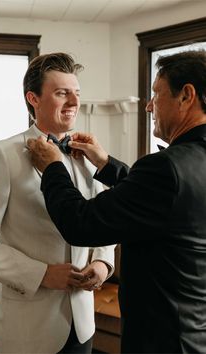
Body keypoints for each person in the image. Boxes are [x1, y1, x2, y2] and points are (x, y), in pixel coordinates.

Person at [27, 49, 206, 354]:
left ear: (186, 96)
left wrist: (53, 167)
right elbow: (161, 204)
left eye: (156, 94)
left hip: (162, 340)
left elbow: (81, 223)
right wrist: (106, 163)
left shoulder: (166, 168)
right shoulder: (189, 163)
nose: (149, 105)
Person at [0, 52, 116, 354]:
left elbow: (105, 214)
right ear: (33, 98)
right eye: (62, 93)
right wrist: (41, 274)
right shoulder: (3, 154)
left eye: (76, 93)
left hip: (83, 323)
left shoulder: (89, 153)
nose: (74, 103)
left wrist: (102, 262)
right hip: (28, 329)